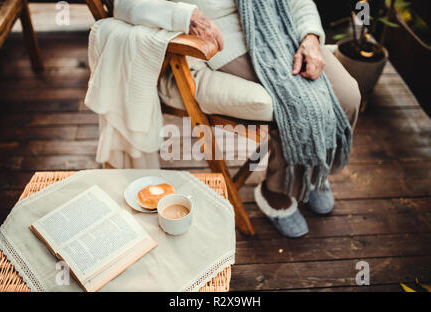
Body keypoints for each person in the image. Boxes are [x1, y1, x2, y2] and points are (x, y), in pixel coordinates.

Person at [128, 0, 361, 237]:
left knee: (348, 95)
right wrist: (186, 15)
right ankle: (276, 192)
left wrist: (311, 38)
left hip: (282, 25)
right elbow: (124, 5)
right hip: (222, 39)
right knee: (295, 102)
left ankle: (312, 172)